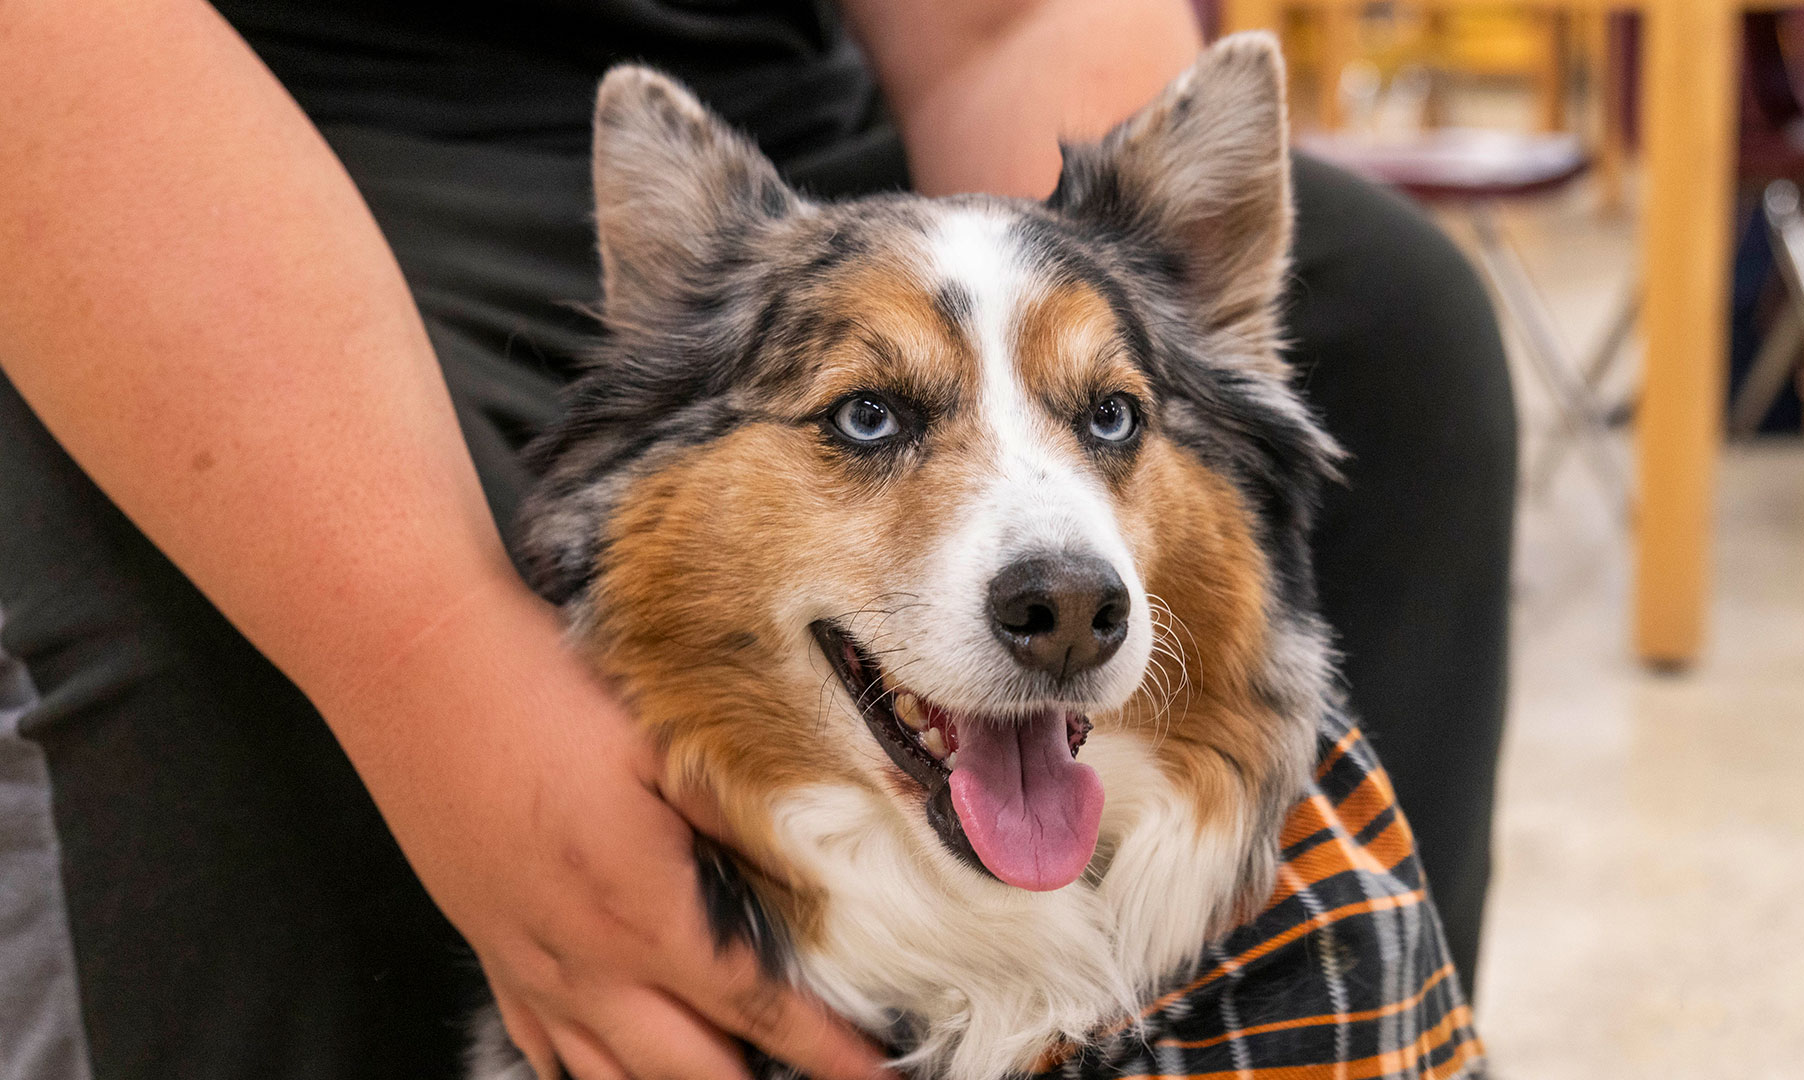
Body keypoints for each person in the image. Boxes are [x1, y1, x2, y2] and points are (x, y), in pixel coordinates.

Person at [0, 1, 1515, 1078]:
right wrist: (422, 659)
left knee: (1404, 326)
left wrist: (1109, 312)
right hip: (201, 143)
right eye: (871, 421)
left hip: (790, 90)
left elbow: (1007, 22)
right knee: (177, 632)